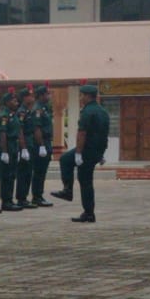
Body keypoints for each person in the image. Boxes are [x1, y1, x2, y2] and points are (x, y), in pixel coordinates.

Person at [52, 83, 109, 223]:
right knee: (86, 181)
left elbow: (82, 133)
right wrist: (100, 153)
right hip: (96, 150)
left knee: (65, 160)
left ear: (88, 96)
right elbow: (103, 134)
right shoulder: (103, 112)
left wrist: (78, 153)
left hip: (87, 151)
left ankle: (67, 190)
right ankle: (89, 213)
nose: (80, 98)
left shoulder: (87, 112)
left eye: (82, 95)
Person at [0, 88, 23, 211]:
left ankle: (10, 199)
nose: (16, 103)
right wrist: (4, 152)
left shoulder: (14, 115)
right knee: (6, 175)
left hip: (14, 146)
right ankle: (6, 201)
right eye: (13, 101)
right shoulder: (4, 116)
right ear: (7, 102)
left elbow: (18, 132)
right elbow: (3, 134)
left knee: (12, 174)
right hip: (7, 145)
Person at [30, 83, 55, 207]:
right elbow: (37, 129)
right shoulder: (38, 109)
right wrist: (41, 146)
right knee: (39, 171)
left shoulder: (44, 108)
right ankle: (36, 196)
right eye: (47, 94)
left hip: (46, 142)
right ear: (41, 95)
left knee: (42, 171)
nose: (49, 96)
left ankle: (39, 195)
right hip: (41, 143)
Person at [13, 86, 36, 210]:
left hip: (30, 141)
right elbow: (20, 129)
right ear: (24, 98)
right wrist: (24, 148)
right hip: (25, 143)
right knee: (23, 172)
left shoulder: (28, 111)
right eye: (29, 96)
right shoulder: (21, 112)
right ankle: (21, 198)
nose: (32, 98)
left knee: (28, 172)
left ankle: (24, 197)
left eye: (32, 96)